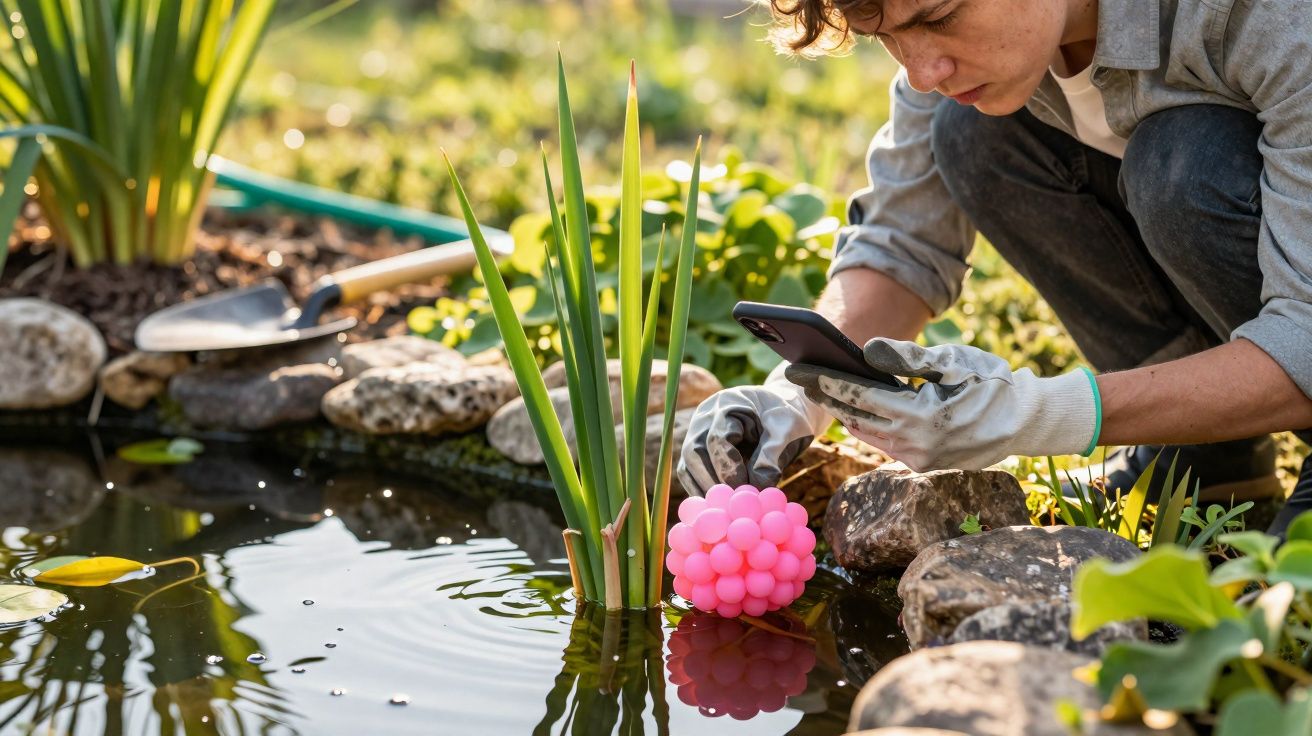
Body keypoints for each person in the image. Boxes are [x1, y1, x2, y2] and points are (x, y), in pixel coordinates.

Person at [677, 0, 1312, 534]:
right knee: (967, 129)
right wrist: (797, 389)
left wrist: (1036, 413)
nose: (922, 72)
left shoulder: (1271, 17)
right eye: (888, 37)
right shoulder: (974, 64)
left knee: (1182, 167)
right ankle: (1209, 452)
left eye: (941, 17)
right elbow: (901, 244)